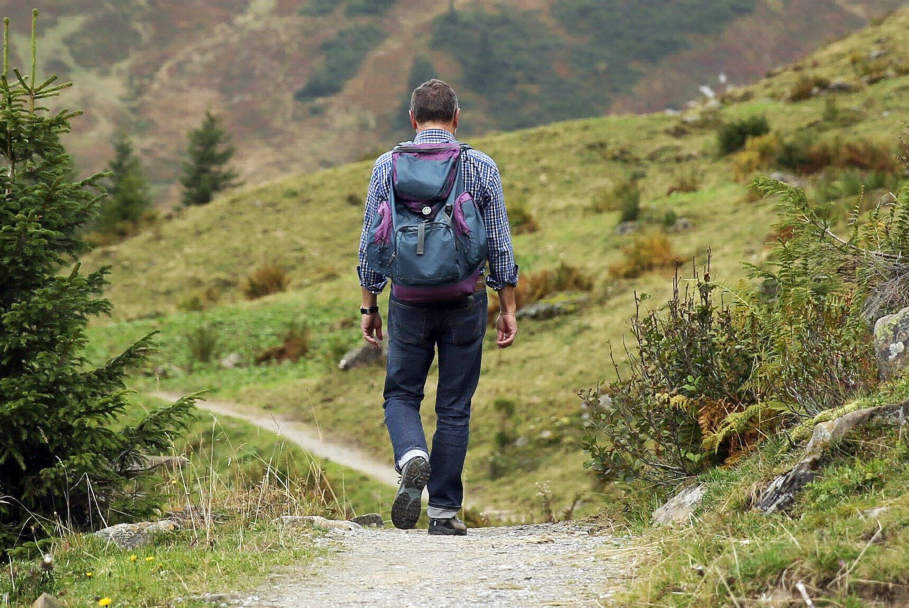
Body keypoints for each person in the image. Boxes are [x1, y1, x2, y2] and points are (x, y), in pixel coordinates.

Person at [356, 79, 519, 535]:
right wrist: (507, 305)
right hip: (465, 298)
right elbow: (501, 244)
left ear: (412, 119)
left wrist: (369, 304)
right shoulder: (480, 165)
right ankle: (444, 513)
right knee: (454, 405)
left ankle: (412, 455)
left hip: (407, 299)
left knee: (402, 394)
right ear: (456, 116)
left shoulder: (386, 166)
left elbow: (372, 239)